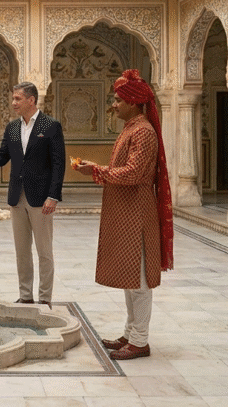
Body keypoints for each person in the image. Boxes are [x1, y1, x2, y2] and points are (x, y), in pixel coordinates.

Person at [74, 69, 173, 360]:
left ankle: (140, 341)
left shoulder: (142, 131)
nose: (114, 105)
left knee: (140, 281)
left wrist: (96, 171)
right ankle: (131, 334)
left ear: (133, 102)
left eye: (118, 100)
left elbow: (134, 174)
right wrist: (96, 167)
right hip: (126, 211)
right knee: (131, 277)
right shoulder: (131, 128)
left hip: (137, 213)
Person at [0, 82, 65, 308]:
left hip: (41, 197)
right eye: (13, 99)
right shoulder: (12, 128)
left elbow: (58, 164)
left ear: (31, 100)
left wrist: (53, 196)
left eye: (18, 99)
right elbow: (2, 156)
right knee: (22, 251)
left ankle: (44, 298)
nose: (13, 103)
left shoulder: (50, 126)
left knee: (44, 251)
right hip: (16, 197)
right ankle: (25, 296)